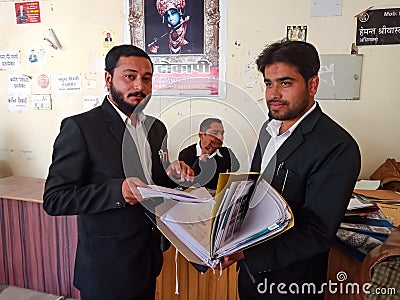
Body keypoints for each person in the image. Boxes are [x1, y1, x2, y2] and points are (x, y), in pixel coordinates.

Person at [43, 44, 194, 300]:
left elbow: (155, 185)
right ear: (108, 78)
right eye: (129, 76)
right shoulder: (81, 128)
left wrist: (174, 175)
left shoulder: (156, 128)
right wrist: (118, 191)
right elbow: (55, 199)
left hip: (148, 258)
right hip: (106, 270)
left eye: (147, 79)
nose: (139, 86)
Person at [222, 40, 361, 299]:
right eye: (268, 83)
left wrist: (245, 252)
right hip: (251, 276)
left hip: (291, 284)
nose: (273, 94)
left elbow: (316, 233)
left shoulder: (337, 147)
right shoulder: (269, 129)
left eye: (285, 83)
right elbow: (255, 192)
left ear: (312, 84)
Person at [178, 117, 240, 190]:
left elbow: (235, 168)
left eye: (222, 133)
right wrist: (202, 158)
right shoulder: (186, 154)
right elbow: (188, 184)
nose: (220, 137)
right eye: (215, 133)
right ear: (202, 135)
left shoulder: (226, 153)